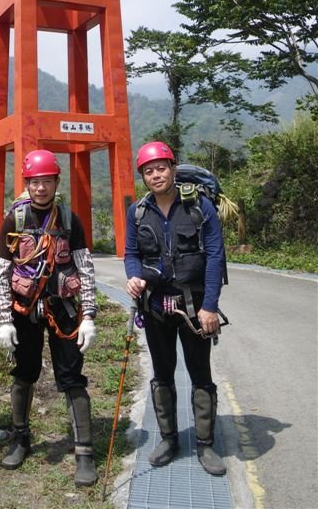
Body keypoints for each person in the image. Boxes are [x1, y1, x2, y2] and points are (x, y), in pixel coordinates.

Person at [0, 149, 98, 487]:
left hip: (63, 311)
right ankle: (20, 439)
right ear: (27, 184)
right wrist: (2, 319)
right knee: (24, 372)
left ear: (55, 182)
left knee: (71, 377)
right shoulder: (15, 221)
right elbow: (0, 272)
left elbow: (85, 267)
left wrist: (89, 314)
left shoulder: (69, 220)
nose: (40, 188)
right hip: (24, 313)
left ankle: (84, 453)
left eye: (46, 181)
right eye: (35, 182)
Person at [124, 141, 227, 476]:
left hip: (195, 307)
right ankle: (169, 439)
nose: (156, 175)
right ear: (143, 176)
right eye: (148, 171)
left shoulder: (198, 207)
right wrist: (133, 278)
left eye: (161, 168)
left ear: (173, 167)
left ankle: (205, 444)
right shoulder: (138, 212)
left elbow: (215, 256)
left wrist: (210, 306)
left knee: (200, 374)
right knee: (162, 373)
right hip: (155, 306)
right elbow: (131, 253)